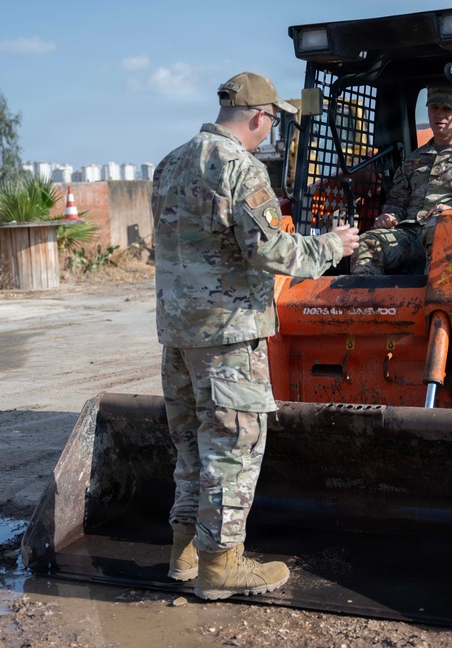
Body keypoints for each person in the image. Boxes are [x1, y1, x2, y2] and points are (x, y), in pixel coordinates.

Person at [153, 71, 360, 601]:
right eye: (271, 122)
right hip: (228, 336)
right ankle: (221, 567)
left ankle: (185, 553)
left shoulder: (169, 163)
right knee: (233, 448)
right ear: (259, 117)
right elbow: (274, 252)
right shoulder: (241, 170)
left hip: (179, 337)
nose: (269, 132)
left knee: (192, 447)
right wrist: (333, 245)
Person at [350, 85, 452, 275]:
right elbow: (396, 202)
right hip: (410, 233)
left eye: (447, 109)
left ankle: (435, 303)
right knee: (367, 243)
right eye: (434, 108)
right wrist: (390, 216)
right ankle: (367, 302)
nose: (439, 115)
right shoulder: (413, 159)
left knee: (438, 233)